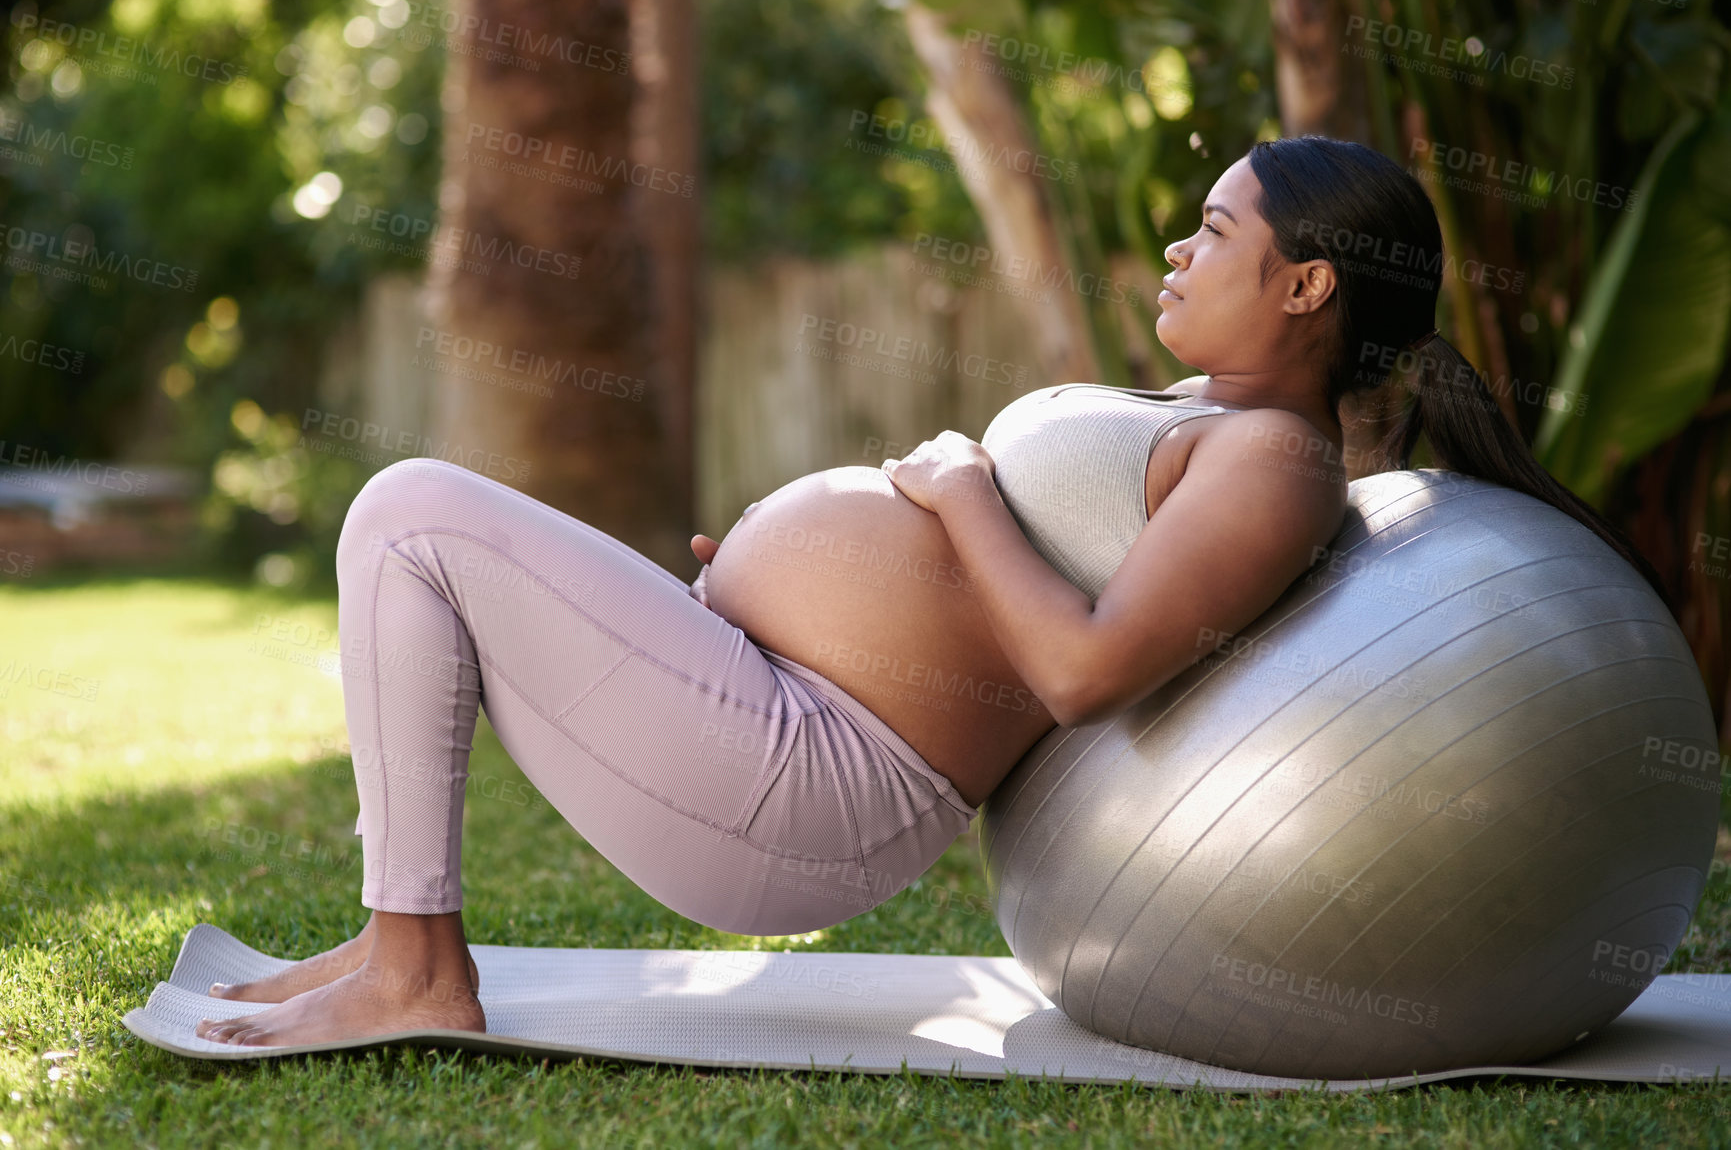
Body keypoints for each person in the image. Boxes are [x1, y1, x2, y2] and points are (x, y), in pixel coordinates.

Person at [195, 135, 1661, 1047]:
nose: (1177, 244)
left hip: (819, 786)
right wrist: (785, 568)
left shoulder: (1272, 462)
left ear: (1309, 287)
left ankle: (415, 963)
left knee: (407, 511)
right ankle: (402, 943)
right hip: (773, 708)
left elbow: (1087, 675)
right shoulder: (1201, 416)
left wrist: (953, 497)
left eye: (1215, 230)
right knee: (427, 538)